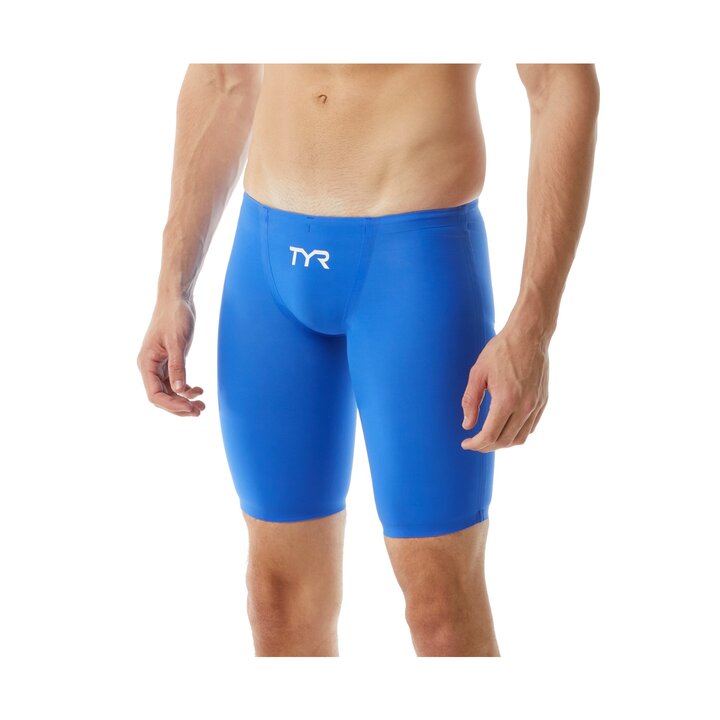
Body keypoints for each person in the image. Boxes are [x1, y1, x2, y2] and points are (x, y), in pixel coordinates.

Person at [137, 63, 599, 657]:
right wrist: (172, 286)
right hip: (267, 264)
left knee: (439, 606)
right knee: (277, 599)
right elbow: (222, 77)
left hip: (412, 265)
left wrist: (533, 326)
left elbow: (559, 82)